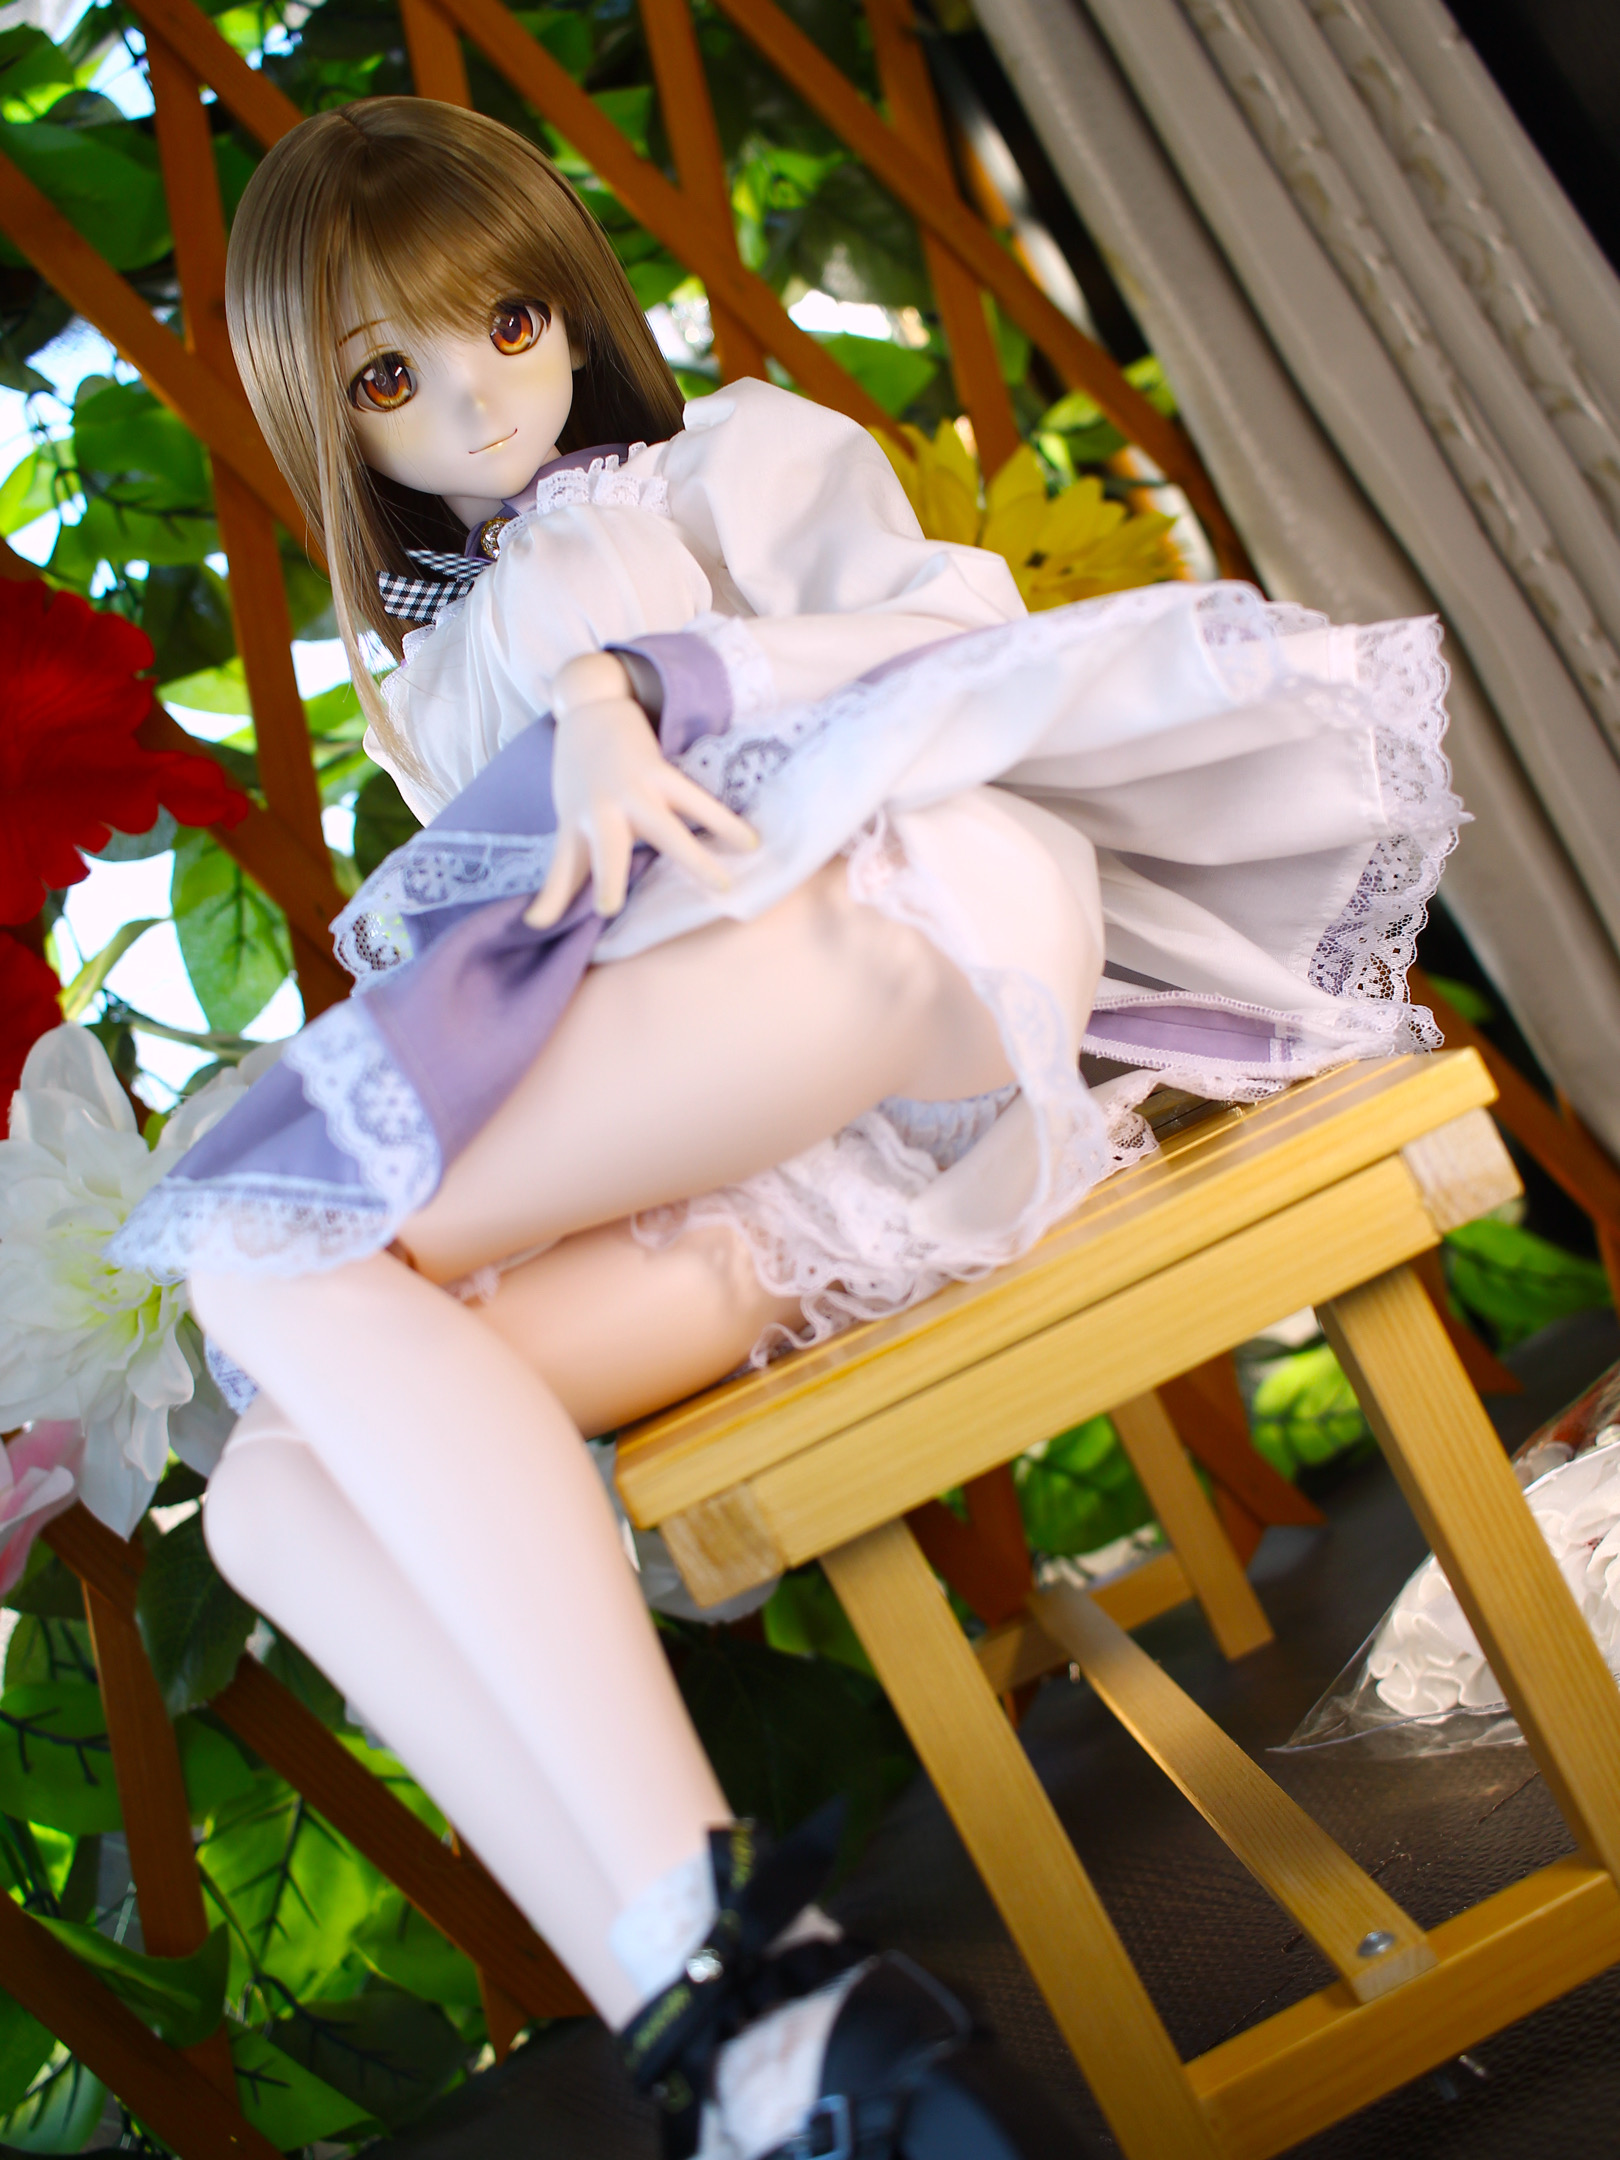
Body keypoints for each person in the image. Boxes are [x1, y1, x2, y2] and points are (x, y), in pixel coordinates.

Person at [111, 95, 1462, 2159]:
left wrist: (636, 687)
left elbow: (961, 636)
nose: (472, 399)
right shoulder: (424, 676)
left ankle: (722, 1963)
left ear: (571, 305)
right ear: (332, 423)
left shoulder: (725, 459)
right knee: (283, 1491)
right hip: (769, 1144)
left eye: (504, 323)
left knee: (254, 1248)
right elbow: (541, 981)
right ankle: (755, 2039)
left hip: (898, 930)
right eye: (390, 378)